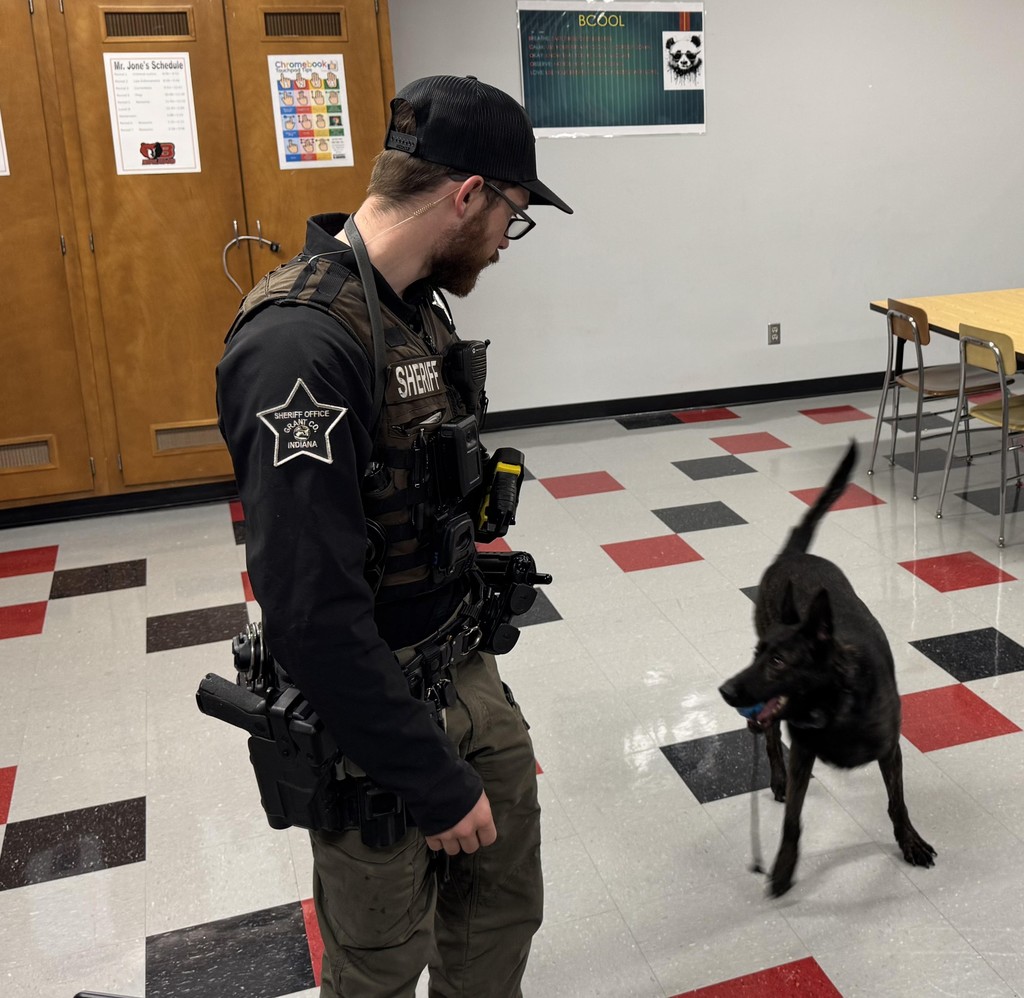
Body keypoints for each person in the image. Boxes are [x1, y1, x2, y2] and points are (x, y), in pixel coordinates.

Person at [215, 75, 572, 997]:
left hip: (461, 668)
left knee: (499, 912)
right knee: (380, 963)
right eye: (514, 214)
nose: (508, 239)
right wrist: (428, 777)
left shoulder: (412, 306)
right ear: (468, 195)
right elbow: (311, 613)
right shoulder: (299, 344)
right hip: (369, 718)